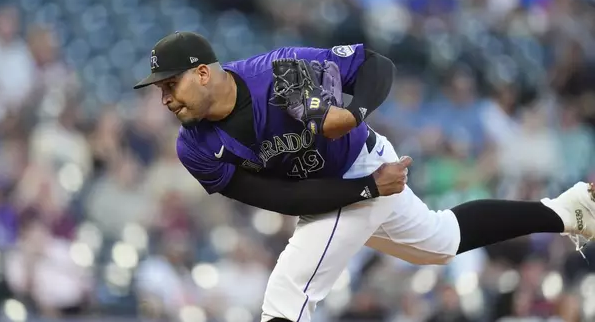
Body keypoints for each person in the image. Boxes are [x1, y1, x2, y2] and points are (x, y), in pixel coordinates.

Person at [133, 31, 595, 322]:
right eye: (160, 90)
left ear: (203, 74)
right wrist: (370, 190)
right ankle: (568, 210)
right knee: (440, 242)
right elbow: (279, 198)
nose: (165, 99)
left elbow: (376, 65)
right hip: (351, 184)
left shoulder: (275, 72)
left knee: (286, 296)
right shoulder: (192, 146)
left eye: (170, 85)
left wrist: (353, 114)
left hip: (361, 162)